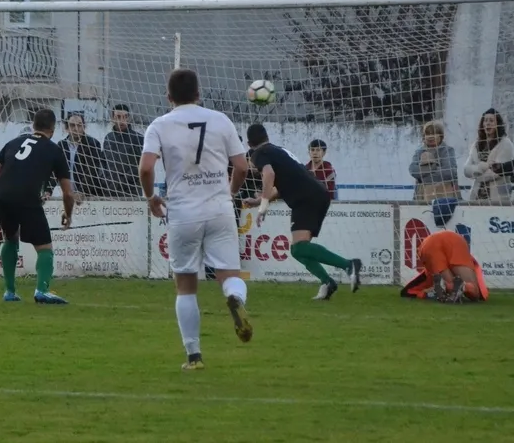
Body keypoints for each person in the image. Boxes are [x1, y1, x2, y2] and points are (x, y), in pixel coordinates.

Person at [138, 68, 253, 371]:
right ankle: (234, 297)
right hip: (219, 209)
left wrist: (151, 197)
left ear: (169, 97)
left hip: (183, 212)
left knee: (186, 285)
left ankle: (194, 356)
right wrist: (229, 192)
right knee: (230, 275)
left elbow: (146, 168)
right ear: (199, 94)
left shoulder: (159, 125)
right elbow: (242, 167)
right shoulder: (221, 120)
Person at [0, 109, 75, 305]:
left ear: (33, 125)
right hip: (27, 197)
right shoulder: (54, 150)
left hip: (1, 195)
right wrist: (68, 213)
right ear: (53, 129)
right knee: (45, 248)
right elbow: (68, 192)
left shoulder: (12, 143)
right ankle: (42, 291)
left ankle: (9, 291)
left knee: (11, 238)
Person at [246, 123, 362, 301]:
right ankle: (327, 282)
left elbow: (269, 174)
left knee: (300, 247)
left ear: (249, 144)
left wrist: (263, 205)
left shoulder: (258, 154)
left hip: (306, 198)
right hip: (314, 194)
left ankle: (349, 265)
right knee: (298, 250)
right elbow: (283, 186)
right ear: (267, 137)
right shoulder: (280, 151)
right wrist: (258, 201)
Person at [401, 198, 489, 302]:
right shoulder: (428, 275)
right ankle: (453, 288)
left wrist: (424, 293)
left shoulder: (428, 275)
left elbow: (410, 291)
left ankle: (443, 289)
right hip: (454, 240)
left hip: (431, 244)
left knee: (452, 286)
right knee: (474, 292)